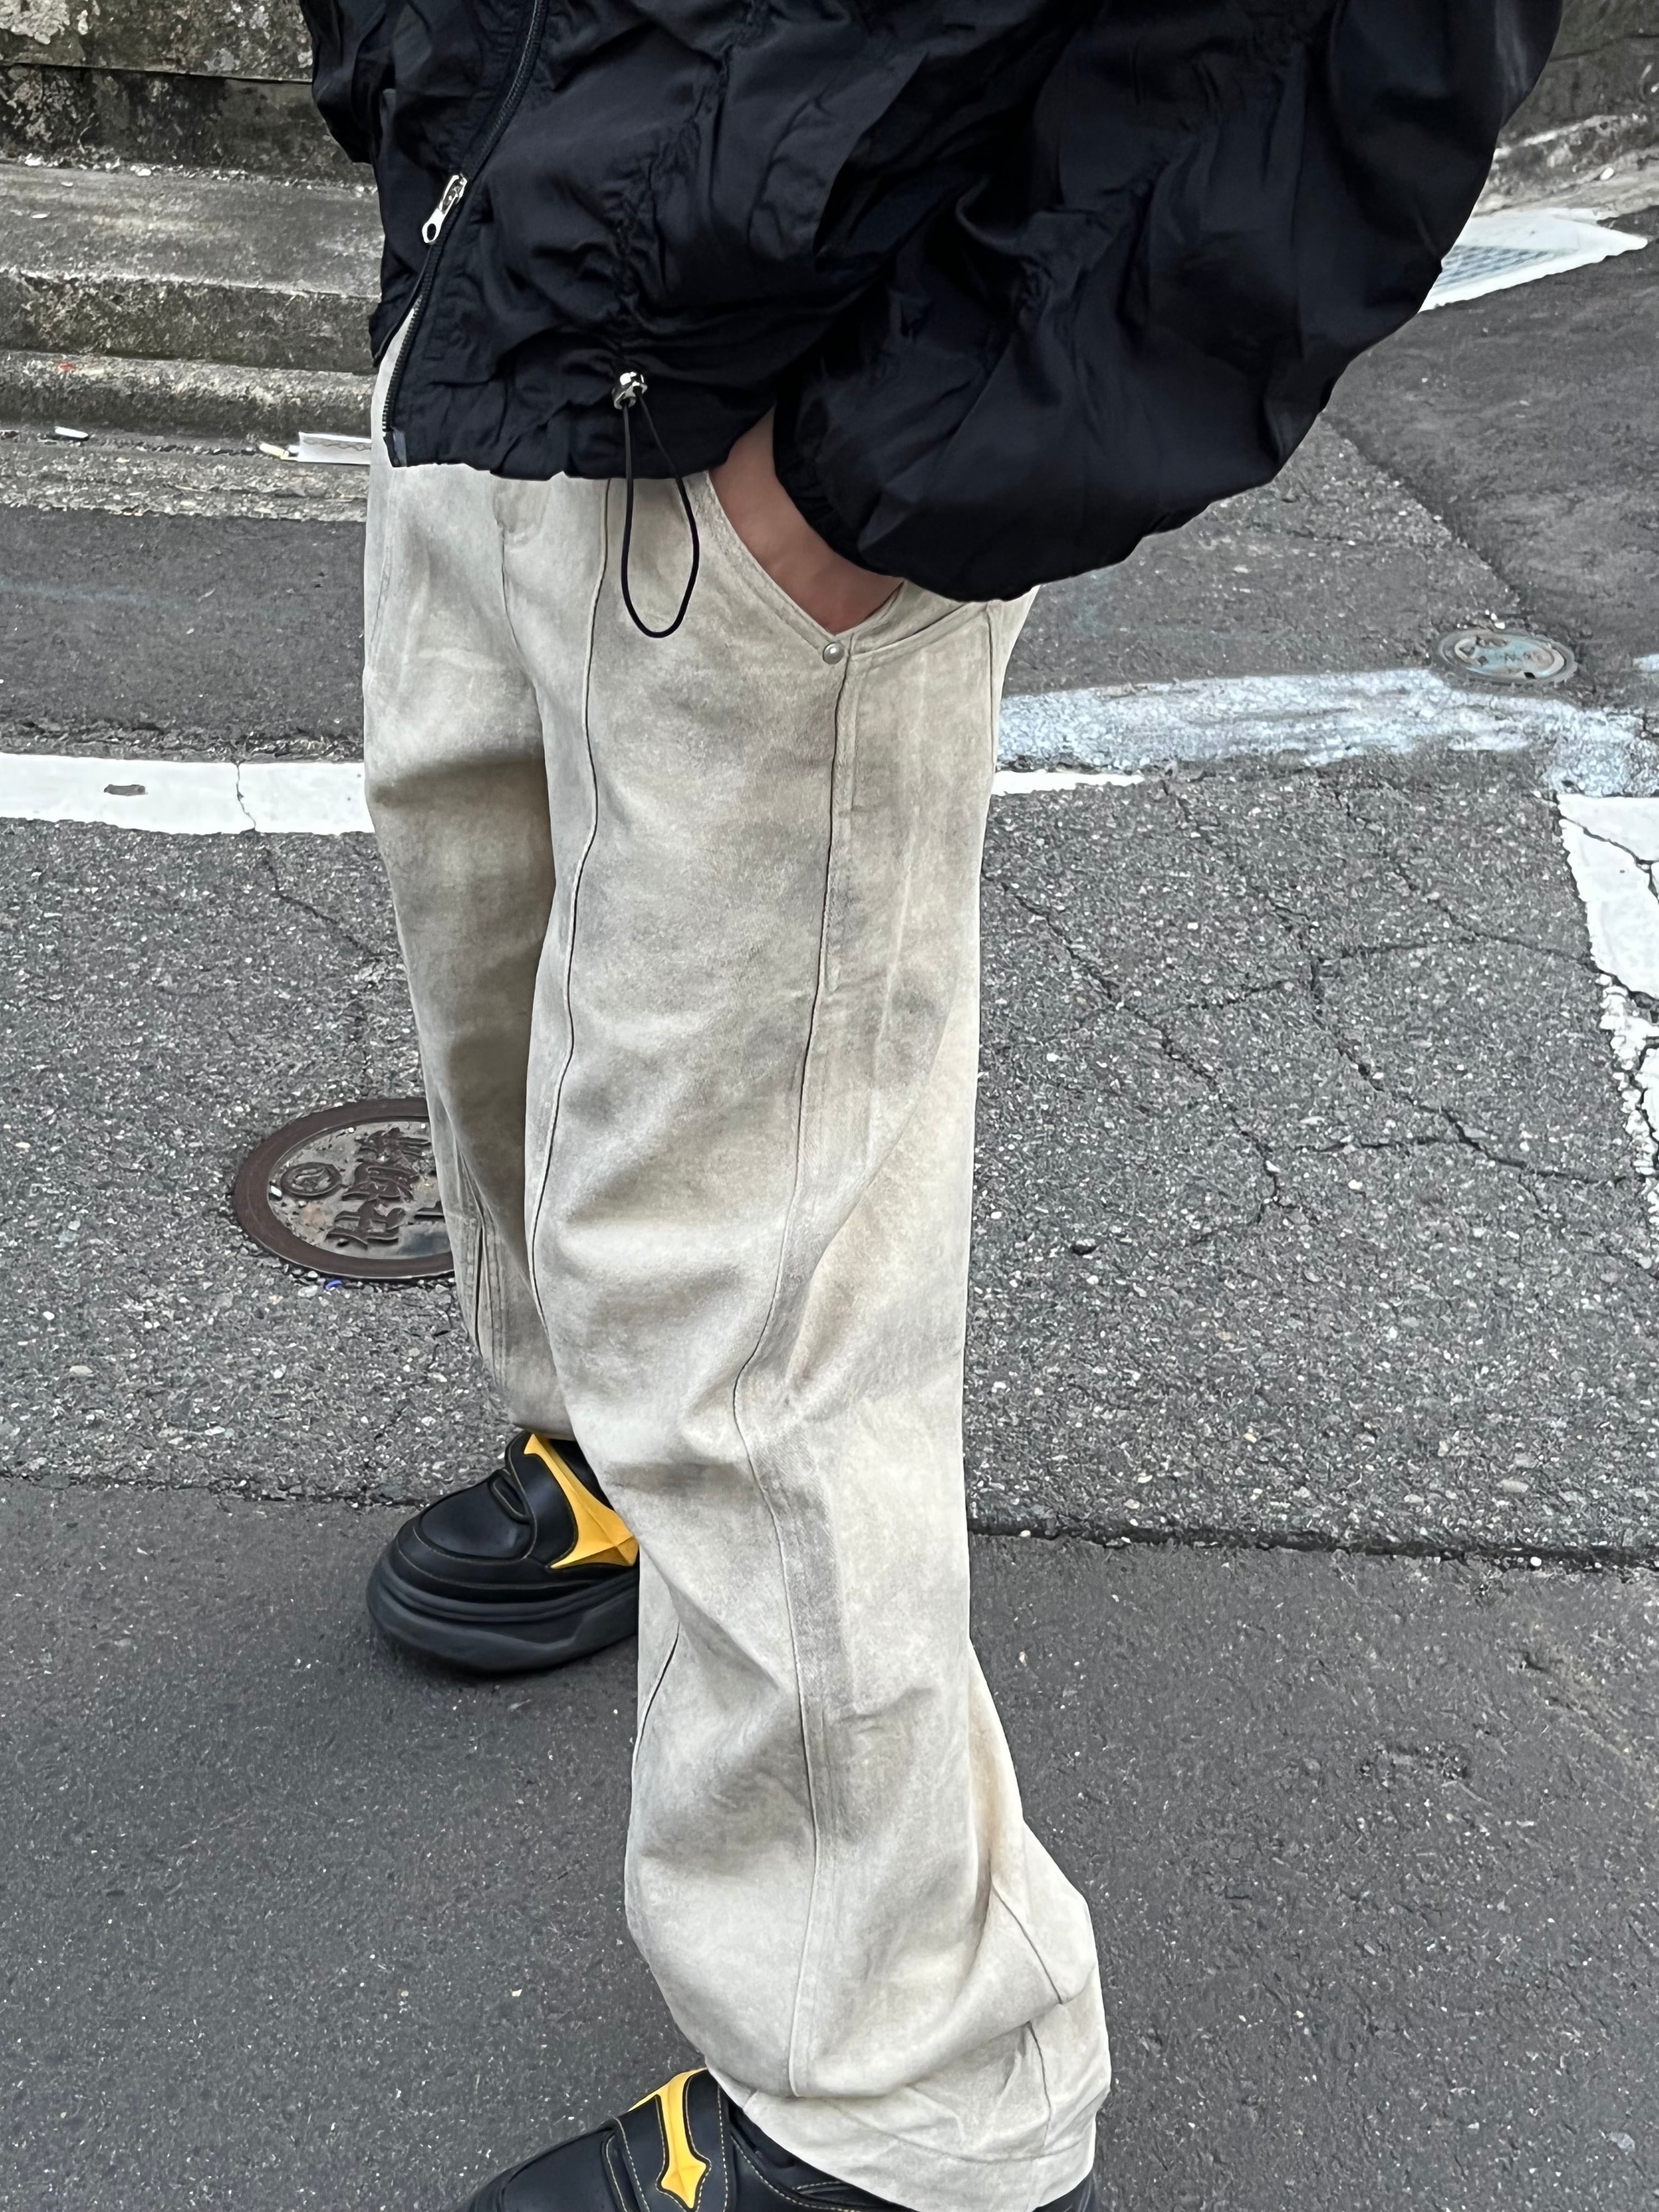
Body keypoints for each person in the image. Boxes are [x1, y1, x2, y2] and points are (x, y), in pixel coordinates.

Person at [297, 4, 1560, 2208]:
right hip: (506, 281)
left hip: (800, 399)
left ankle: (909, 2090)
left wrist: (907, 455)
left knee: (751, 1261)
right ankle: (606, 1462)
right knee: (493, 970)